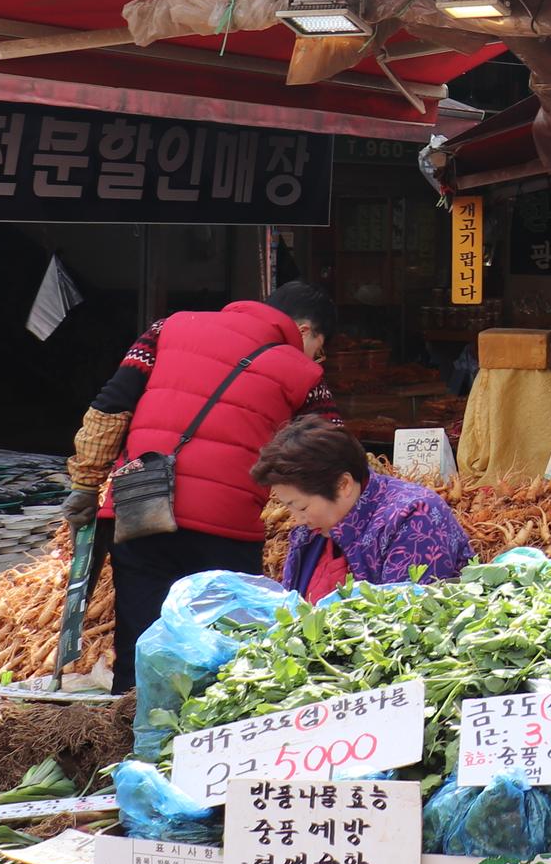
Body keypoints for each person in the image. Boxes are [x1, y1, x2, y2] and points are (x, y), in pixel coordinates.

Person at [69, 281, 337, 693]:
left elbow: (112, 404)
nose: (318, 356)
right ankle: (207, 738)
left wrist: (85, 484)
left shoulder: (168, 328)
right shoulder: (303, 372)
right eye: (319, 344)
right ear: (304, 330)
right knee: (224, 647)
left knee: (140, 638)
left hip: (142, 505)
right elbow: (328, 452)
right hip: (227, 525)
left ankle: (134, 736)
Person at [255, 418, 472, 601]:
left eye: (301, 507)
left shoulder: (414, 516)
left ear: (343, 485)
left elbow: (404, 623)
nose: (297, 520)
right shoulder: (310, 532)